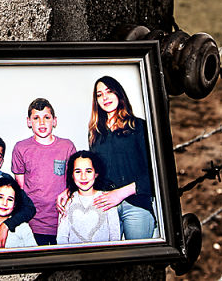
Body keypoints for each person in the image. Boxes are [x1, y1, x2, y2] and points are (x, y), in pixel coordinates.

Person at [59, 76, 155, 240]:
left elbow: (156, 173)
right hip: (104, 206)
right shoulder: (95, 133)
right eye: (99, 94)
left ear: (119, 94)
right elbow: (94, 173)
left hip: (136, 204)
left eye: (109, 91)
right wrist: (70, 190)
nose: (105, 97)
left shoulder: (139, 127)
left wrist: (120, 193)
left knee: (137, 261)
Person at [11, 98, 76, 245]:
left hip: (63, 222)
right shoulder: (21, 148)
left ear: (54, 121)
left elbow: (76, 181)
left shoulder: (67, 146)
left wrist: (67, 192)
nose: (42, 122)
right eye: (36, 118)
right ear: (29, 122)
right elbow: (20, 189)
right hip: (32, 224)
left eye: (46, 117)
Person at [56, 151, 121, 245]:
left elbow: (115, 235)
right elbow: (62, 237)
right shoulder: (67, 201)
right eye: (78, 171)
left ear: (96, 174)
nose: (83, 177)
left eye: (88, 171)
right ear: (72, 175)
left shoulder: (107, 199)